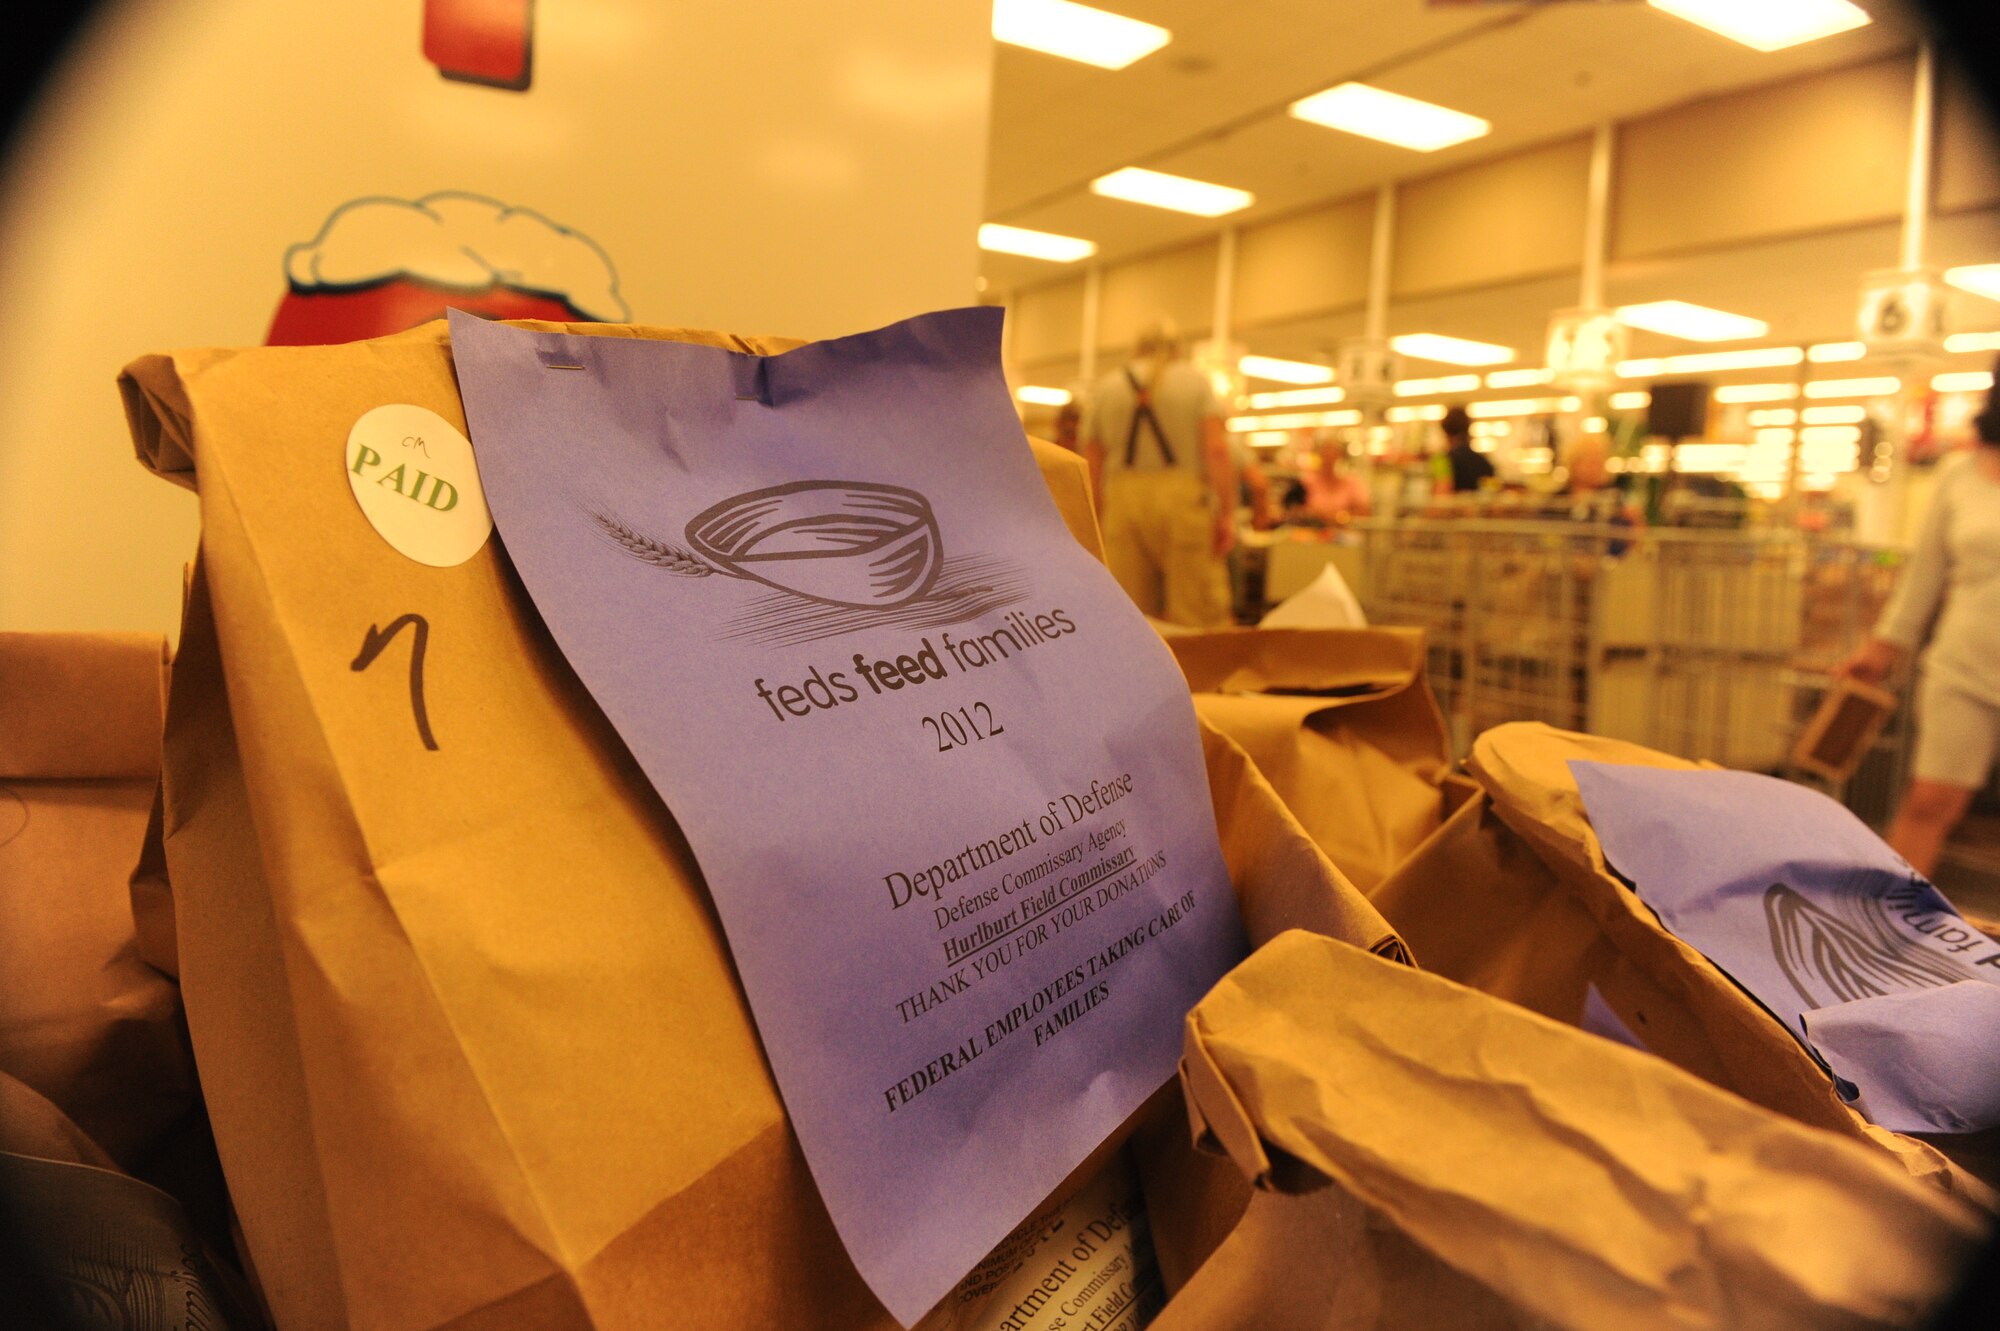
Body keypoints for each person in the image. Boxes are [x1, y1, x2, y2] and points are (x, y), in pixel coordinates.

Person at [1841, 367, 2000, 877]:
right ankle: (1881, 936)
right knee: (1930, 801)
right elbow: (1924, 575)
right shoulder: (1961, 474)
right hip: (1965, 664)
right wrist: (1882, 649)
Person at [1082, 321, 1236, 627]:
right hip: (1182, 501)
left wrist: (1095, 518)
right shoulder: (1195, 383)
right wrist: (1227, 513)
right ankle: (1196, 673)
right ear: (1178, 347)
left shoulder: (1107, 387)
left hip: (1122, 502)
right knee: (1197, 612)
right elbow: (1217, 450)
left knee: (1126, 614)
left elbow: (1091, 459)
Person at [1440, 405, 1494, 494]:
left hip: (1452, 507)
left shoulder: (1444, 461)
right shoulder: (1484, 463)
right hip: (1479, 507)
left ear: (1446, 431)